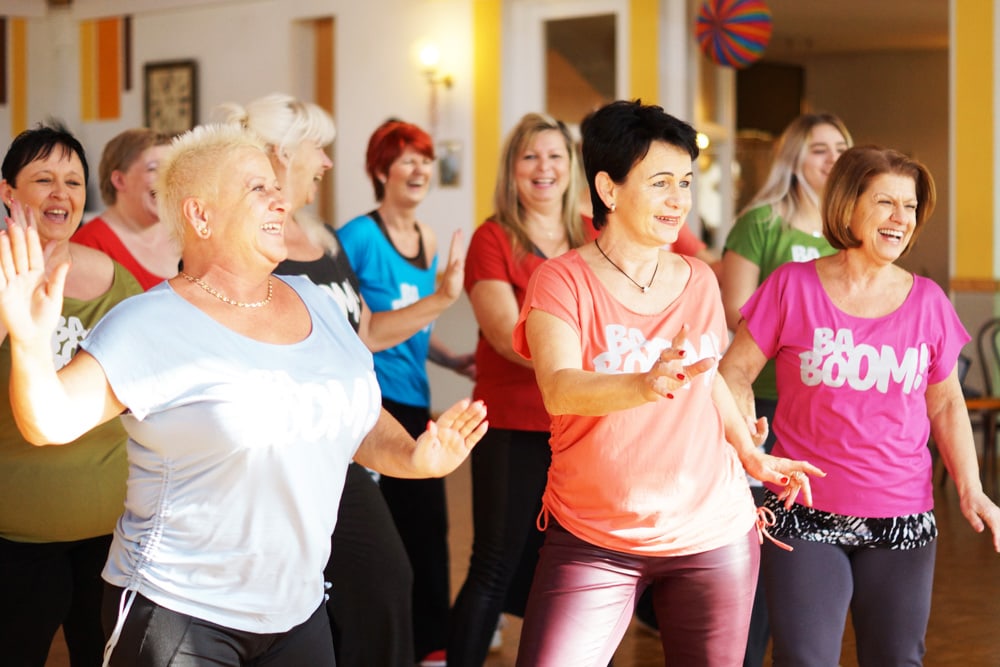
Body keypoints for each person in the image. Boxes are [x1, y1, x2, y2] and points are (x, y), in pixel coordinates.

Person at [0, 123, 488, 667]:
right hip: (178, 612)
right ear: (200, 215)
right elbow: (50, 421)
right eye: (258, 188)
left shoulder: (318, 304)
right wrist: (28, 339)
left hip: (297, 612)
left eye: (276, 187)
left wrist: (415, 457)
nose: (282, 199)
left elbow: (358, 418)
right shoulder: (150, 322)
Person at [510, 99, 822, 666]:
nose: (680, 200)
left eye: (685, 181)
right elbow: (557, 386)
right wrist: (643, 384)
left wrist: (750, 454)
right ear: (608, 189)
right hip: (593, 536)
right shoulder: (560, 281)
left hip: (712, 531)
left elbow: (709, 379)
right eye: (661, 183)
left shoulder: (700, 278)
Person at [719, 145, 1000, 666]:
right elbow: (733, 373)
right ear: (848, 207)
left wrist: (972, 488)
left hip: (902, 515)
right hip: (803, 510)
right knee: (805, 659)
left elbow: (945, 404)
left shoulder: (929, 302)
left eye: (910, 206)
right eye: (885, 203)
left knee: (896, 660)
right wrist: (748, 441)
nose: (901, 219)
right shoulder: (792, 287)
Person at [219, 93, 467, 667]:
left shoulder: (323, 238)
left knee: (383, 577)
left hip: (346, 445)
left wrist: (444, 298)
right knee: (321, 595)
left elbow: (369, 330)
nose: (327, 163)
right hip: (286, 454)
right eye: (319, 149)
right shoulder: (250, 240)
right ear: (282, 155)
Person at [448, 112, 590, 666]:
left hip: (578, 423)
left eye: (555, 155)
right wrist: (589, 358)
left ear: (572, 166)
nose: (543, 168)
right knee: (495, 564)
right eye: (530, 156)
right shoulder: (494, 236)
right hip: (511, 421)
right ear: (512, 169)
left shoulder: (592, 235)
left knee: (559, 564)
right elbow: (506, 334)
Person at [0, 124, 142, 667]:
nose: (62, 194)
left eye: (73, 181)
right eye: (43, 179)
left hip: (110, 531)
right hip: (16, 536)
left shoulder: (115, 279)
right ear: (9, 194)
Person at [336, 119, 476, 667]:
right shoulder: (358, 237)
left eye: (425, 158)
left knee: (429, 531)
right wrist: (441, 301)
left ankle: (432, 649)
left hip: (417, 403)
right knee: (381, 535)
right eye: (406, 159)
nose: (419, 168)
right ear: (380, 170)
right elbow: (353, 326)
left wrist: (449, 358)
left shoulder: (430, 239)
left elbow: (416, 322)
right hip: (373, 407)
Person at [716, 111, 852, 665]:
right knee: (762, 545)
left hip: (828, 412)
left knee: (807, 549)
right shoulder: (761, 223)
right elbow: (732, 308)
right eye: (820, 148)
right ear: (794, 158)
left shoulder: (853, 231)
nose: (835, 157)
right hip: (766, 405)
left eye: (843, 146)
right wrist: (800, 326)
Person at [72, 128, 178, 290]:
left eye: (171, 168)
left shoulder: (184, 234)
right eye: (153, 168)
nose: (168, 178)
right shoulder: (88, 243)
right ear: (119, 180)